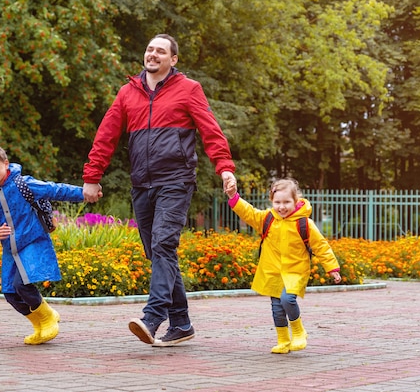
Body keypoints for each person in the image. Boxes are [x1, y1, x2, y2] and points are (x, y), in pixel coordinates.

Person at [82, 34, 237, 347]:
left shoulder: (189, 89)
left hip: (176, 180)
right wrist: (92, 175)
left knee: (164, 244)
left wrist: (225, 168)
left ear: (173, 60)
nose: (153, 54)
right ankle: (181, 323)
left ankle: (152, 318)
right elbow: (106, 136)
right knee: (157, 252)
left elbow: (210, 130)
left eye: (161, 51)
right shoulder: (128, 92)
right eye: (150, 48)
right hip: (142, 183)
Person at [0, 144, 86, 345]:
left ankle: (48, 318)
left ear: (5, 164)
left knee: (21, 283)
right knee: (10, 292)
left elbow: (55, 190)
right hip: (10, 248)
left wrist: (84, 193)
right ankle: (39, 325)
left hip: (32, 240)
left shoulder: (22, 184)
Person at [225, 177, 341, 353]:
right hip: (273, 271)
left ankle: (298, 331)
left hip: (296, 271)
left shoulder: (304, 223)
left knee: (288, 299)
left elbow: (321, 246)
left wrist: (332, 268)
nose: (282, 206)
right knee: (277, 307)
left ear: (296, 201)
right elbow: (247, 212)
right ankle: (283, 340)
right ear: (272, 201)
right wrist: (234, 196)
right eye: (277, 202)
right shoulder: (267, 219)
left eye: (287, 202)